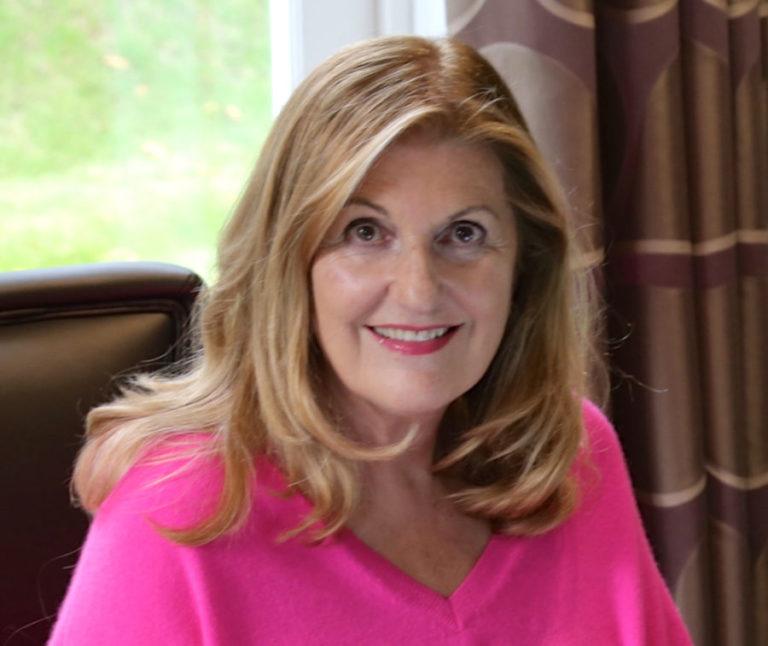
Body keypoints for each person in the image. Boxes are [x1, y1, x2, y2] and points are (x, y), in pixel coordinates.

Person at [49, 36, 692, 645]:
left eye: (464, 234)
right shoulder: (180, 509)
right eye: (364, 233)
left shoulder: (566, 455)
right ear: (288, 262)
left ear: (525, 264)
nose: (418, 290)